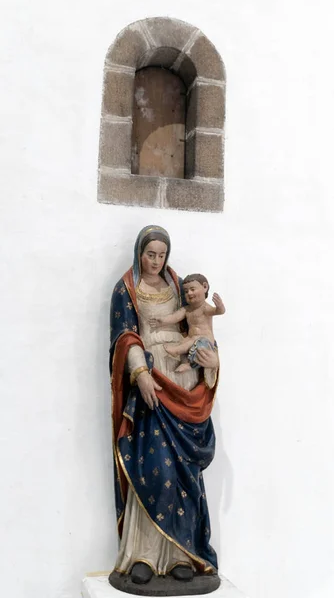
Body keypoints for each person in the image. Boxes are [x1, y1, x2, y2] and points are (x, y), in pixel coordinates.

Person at [109, 225, 220, 586]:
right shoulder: (126, 289)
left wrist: (212, 364)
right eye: (149, 254)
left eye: (161, 254)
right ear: (139, 253)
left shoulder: (179, 285)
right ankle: (141, 554)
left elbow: (203, 331)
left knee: (184, 473)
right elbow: (125, 336)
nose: (156, 261)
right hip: (153, 384)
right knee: (154, 466)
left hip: (185, 382)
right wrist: (139, 372)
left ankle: (180, 554)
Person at [149, 273, 225, 373]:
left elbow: (218, 311)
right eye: (186, 291)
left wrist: (220, 306)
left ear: (205, 287)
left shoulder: (205, 308)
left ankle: (178, 353)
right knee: (184, 341)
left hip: (204, 341)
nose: (189, 293)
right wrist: (162, 321)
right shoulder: (187, 310)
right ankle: (186, 363)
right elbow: (174, 317)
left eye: (192, 289)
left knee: (193, 342)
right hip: (191, 339)